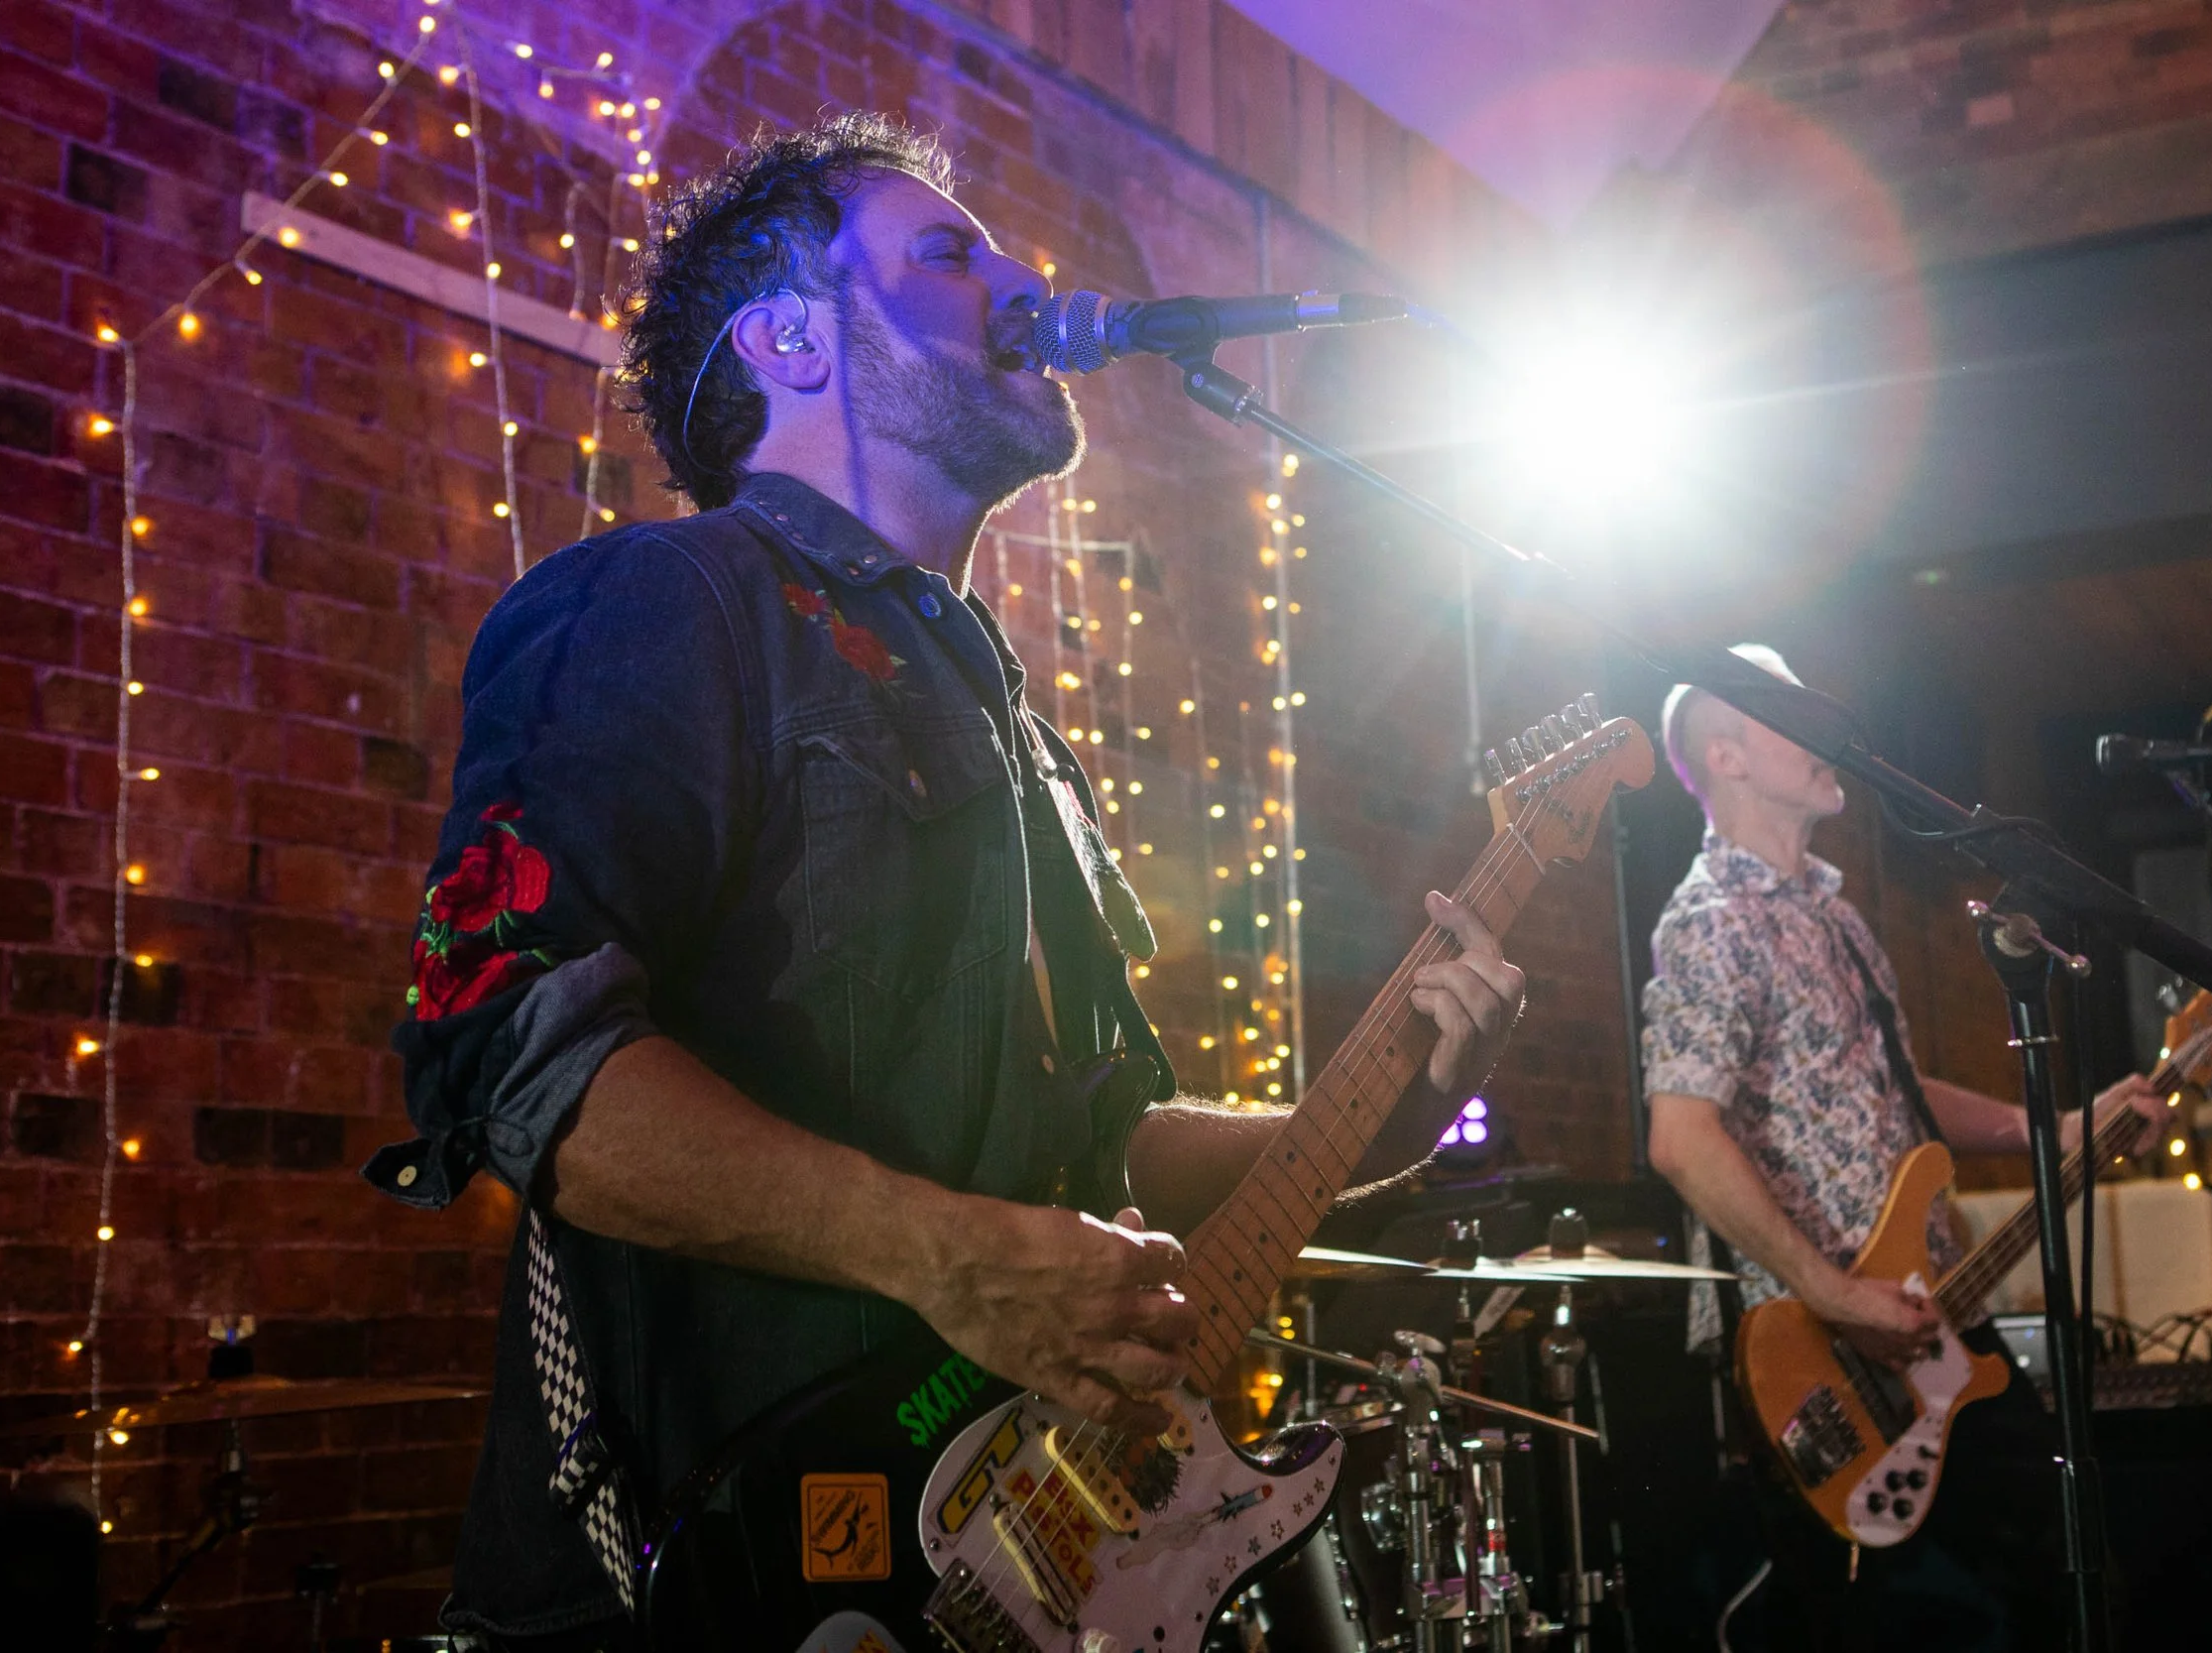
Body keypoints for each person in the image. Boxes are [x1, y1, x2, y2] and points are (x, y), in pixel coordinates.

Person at [364, 113, 1525, 1651]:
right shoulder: (664, 599)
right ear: (788, 337)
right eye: (946, 250)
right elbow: (511, 1048)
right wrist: (942, 1252)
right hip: (711, 1566)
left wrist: (1376, 1105)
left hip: (996, 1557)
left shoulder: (1019, 725)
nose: (1021, 276)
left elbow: (1105, 1136)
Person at [1641, 645, 2161, 1652]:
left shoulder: (1833, 919)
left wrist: (2045, 1127)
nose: (1828, 726)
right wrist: (1835, 1295)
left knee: (2066, 1572)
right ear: (1728, 752)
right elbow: (1680, 1134)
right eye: (1790, 713)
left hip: (1927, 1313)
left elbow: (1896, 1088)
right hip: (1821, 1355)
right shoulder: (1711, 921)